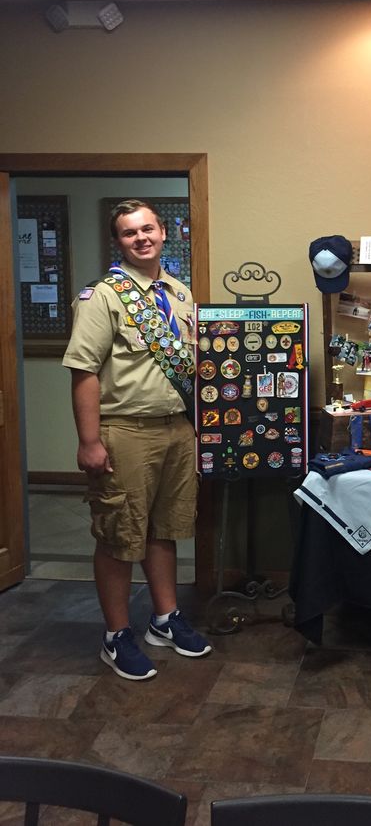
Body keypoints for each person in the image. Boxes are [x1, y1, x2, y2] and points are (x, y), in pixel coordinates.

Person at [63, 199, 211, 682]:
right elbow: (84, 370)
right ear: (119, 242)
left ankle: (164, 620)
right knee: (118, 535)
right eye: (129, 233)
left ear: (163, 232)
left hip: (176, 428)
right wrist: (89, 441)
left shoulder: (180, 293)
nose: (141, 238)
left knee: (163, 528)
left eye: (147, 228)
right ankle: (117, 635)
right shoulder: (102, 296)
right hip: (124, 430)